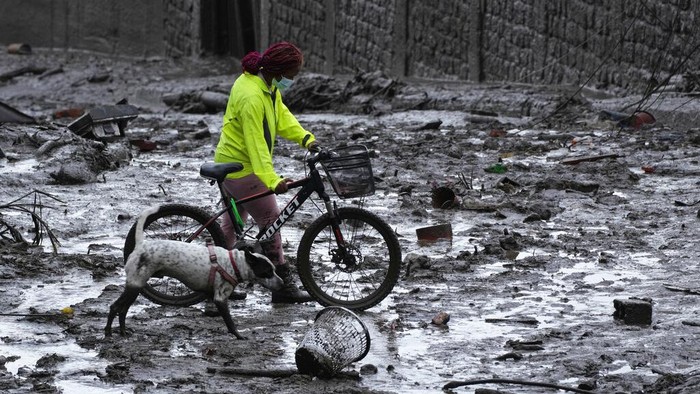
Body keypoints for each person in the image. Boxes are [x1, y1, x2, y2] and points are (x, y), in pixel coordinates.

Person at [213, 41, 318, 304]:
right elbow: (256, 144)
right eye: (292, 75)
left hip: (231, 161)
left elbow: (281, 116)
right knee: (271, 219)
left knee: (229, 230)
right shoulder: (251, 96)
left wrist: (306, 138)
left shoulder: (266, 85)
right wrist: (272, 180)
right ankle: (282, 288)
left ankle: (215, 286)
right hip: (241, 168)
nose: (294, 79)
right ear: (279, 71)